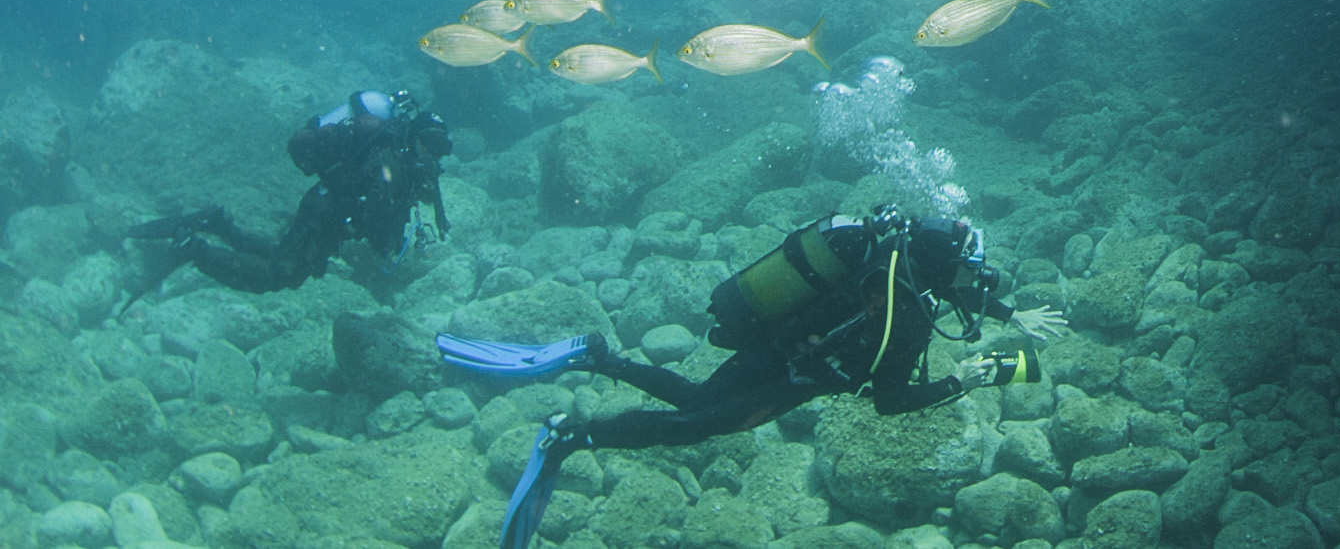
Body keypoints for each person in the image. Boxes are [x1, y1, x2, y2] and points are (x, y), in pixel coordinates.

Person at [439, 206, 1067, 549]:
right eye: (969, 272)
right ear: (938, 270)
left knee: (697, 399)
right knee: (692, 428)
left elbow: (949, 282)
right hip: (796, 379)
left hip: (776, 342)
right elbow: (889, 402)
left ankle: (599, 355)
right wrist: (967, 381)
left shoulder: (884, 257)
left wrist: (1011, 313)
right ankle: (571, 438)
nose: (975, 286)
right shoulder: (907, 319)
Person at [130, 88, 451, 295]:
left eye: (440, 147)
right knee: (277, 274)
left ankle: (218, 223)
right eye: (429, 142)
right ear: (414, 136)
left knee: (279, 257)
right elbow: (376, 213)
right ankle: (192, 249)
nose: (433, 153)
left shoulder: (403, 161)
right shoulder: (390, 158)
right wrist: (384, 243)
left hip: (327, 209)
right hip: (324, 213)